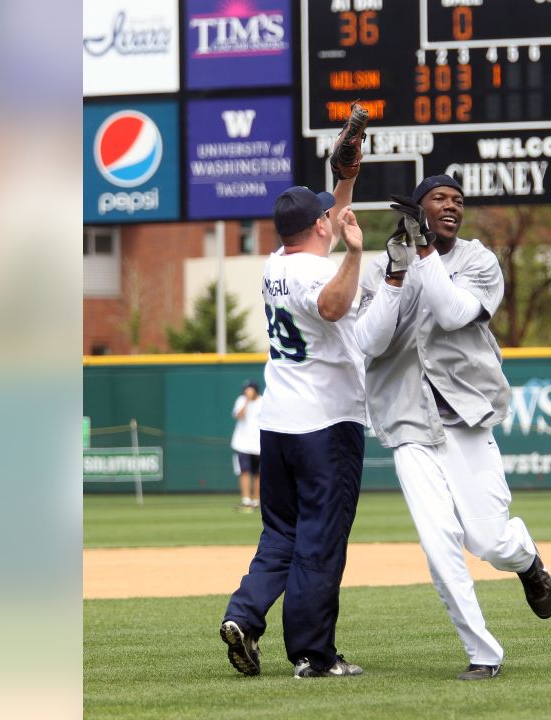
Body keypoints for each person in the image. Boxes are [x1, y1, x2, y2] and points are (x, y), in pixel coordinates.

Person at [353, 174, 551, 681]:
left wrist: (422, 254)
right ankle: (484, 653)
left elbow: (451, 312)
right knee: (440, 542)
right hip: (408, 427)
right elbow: (370, 343)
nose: (451, 206)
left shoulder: (479, 262)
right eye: (439, 198)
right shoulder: (382, 268)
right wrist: (397, 276)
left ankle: (526, 558)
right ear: (418, 208)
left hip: (466, 422)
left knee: (487, 542)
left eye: (457, 201)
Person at [219, 178, 368, 679]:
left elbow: (324, 224)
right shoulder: (316, 270)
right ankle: (314, 655)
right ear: (320, 226)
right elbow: (331, 304)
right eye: (327, 214)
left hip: (278, 423)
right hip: (324, 424)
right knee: (319, 541)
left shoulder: (274, 263)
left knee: (280, 535)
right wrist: (354, 255)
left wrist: (344, 181)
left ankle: (243, 616)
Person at [231, 380, 262, 512]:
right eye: (246, 389)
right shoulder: (241, 400)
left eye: (250, 389)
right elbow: (238, 415)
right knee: (244, 471)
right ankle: (246, 500)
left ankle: (256, 501)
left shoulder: (263, 401)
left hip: (259, 444)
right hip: (242, 443)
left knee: (258, 473)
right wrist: (247, 402)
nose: (247, 391)